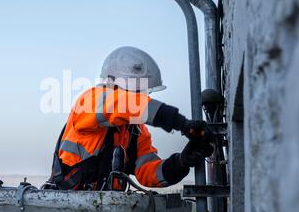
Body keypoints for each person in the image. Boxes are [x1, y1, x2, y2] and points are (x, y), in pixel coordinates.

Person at [47, 46, 213, 191]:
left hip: (106, 211)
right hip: (68, 206)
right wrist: (179, 122)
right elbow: (122, 104)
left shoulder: (136, 131)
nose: (141, 97)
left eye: (144, 93)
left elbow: (148, 171)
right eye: (137, 92)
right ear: (117, 86)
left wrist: (181, 162)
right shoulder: (90, 101)